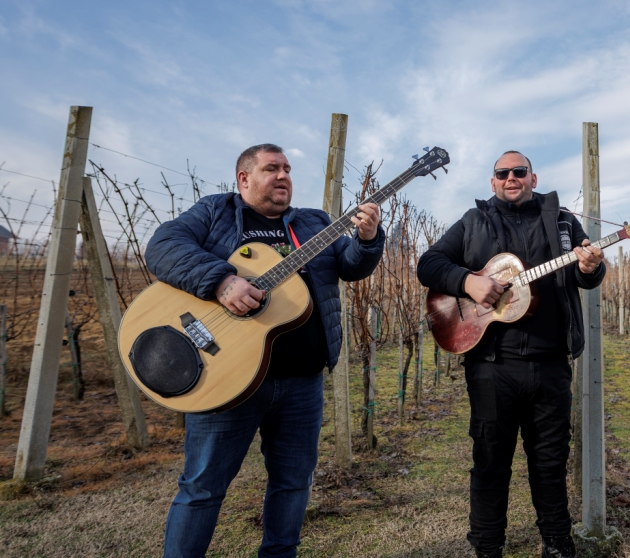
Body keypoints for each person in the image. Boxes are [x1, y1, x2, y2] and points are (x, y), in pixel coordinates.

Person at [146, 143, 385, 558]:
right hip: (227, 379)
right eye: (272, 168)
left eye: (287, 168)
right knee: (202, 488)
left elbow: (350, 267)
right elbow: (163, 246)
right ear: (244, 178)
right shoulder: (215, 211)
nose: (283, 176)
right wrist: (221, 281)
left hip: (302, 383)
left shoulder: (314, 222)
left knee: (293, 483)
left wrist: (367, 239)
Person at [417, 151, 606, 558]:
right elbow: (428, 264)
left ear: (533, 178)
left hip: (551, 364)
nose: (511, 178)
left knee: (551, 462)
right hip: (491, 366)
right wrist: (468, 282)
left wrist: (591, 268)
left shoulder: (563, 222)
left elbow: (582, 275)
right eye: (502, 173)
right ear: (493, 182)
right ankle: (488, 548)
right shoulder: (473, 222)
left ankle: (557, 545)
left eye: (519, 171)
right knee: (490, 462)